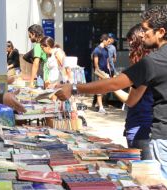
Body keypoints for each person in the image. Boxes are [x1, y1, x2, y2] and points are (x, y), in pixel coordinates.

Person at [55, 5, 167, 178]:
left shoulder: (153, 61)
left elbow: (114, 84)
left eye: (146, 30)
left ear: (160, 31)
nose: (143, 34)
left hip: (161, 137)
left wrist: (74, 88)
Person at [106, 24, 153, 160]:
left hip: (141, 129)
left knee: (145, 176)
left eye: (132, 46)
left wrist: (111, 84)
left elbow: (130, 100)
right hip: (143, 128)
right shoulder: (155, 63)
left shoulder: (144, 66)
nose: (129, 51)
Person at [92, 33, 110, 114]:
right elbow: (96, 64)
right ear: (104, 40)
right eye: (108, 41)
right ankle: (101, 107)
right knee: (99, 90)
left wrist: (108, 71)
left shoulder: (106, 49)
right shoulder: (97, 50)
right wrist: (99, 74)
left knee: (104, 90)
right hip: (99, 72)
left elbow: (107, 61)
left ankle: (99, 105)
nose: (108, 43)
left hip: (105, 72)